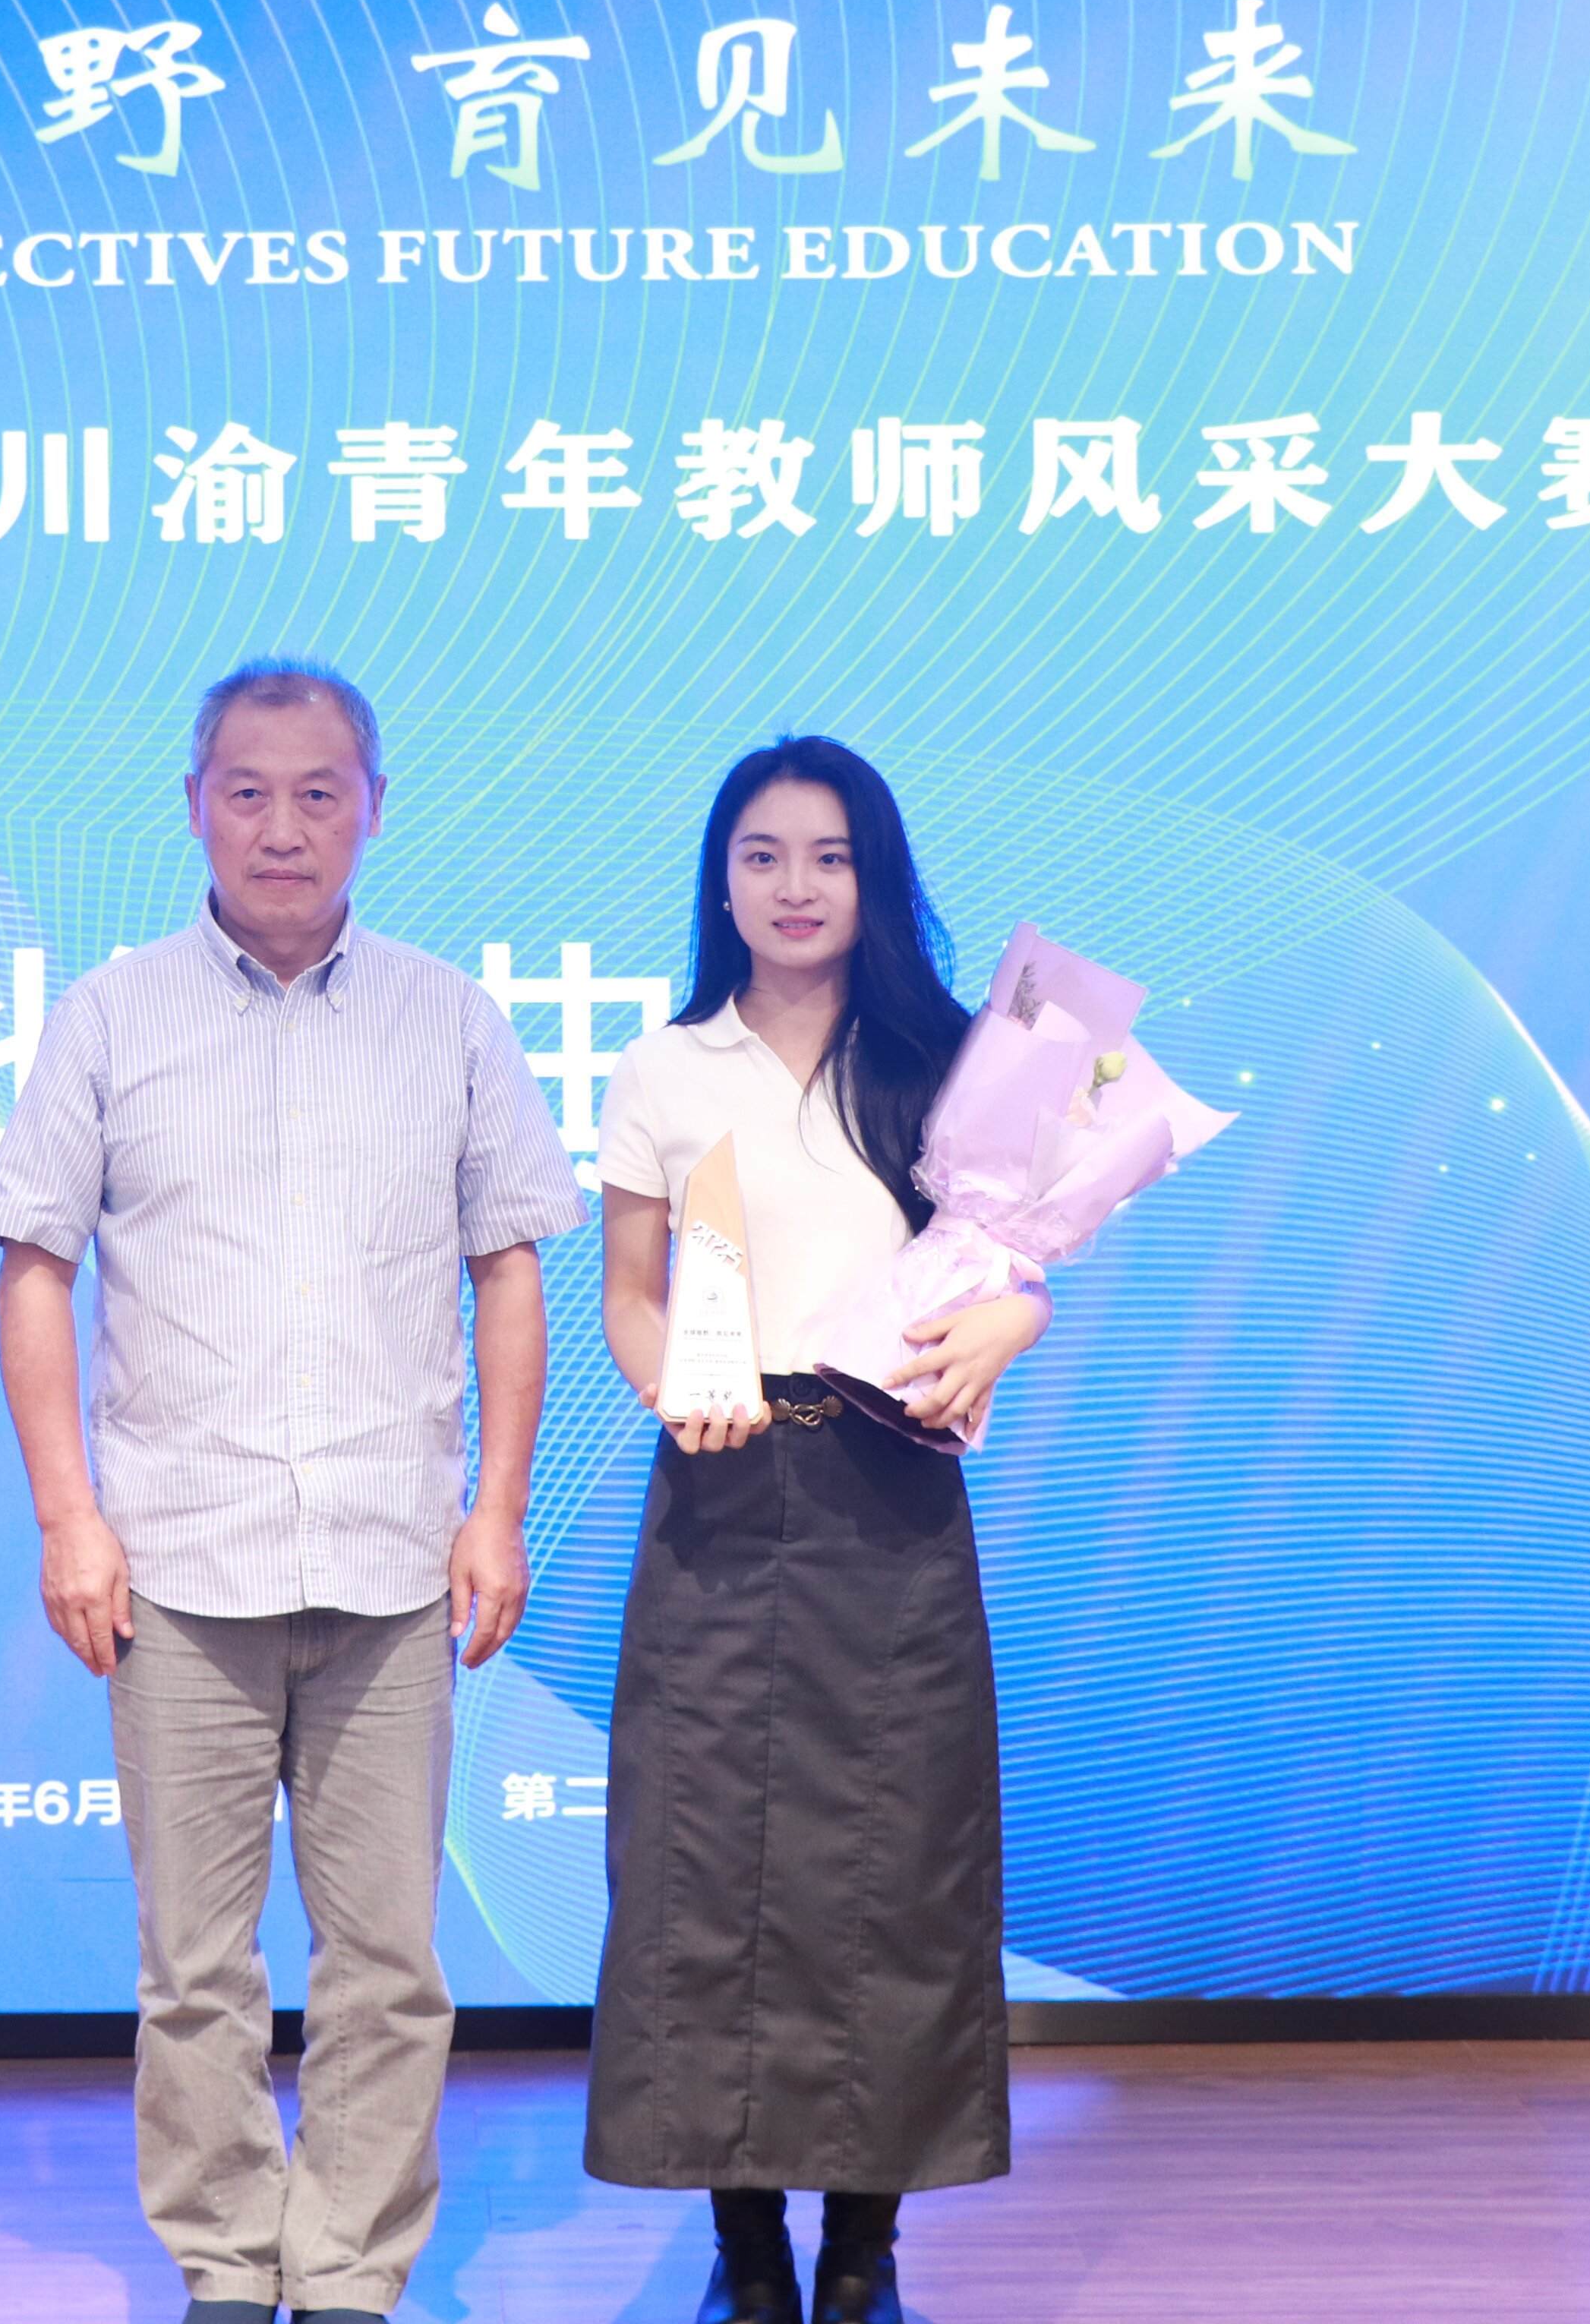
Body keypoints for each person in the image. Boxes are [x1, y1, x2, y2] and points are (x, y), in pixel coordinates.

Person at [0, 658, 581, 2324]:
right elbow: (34, 1268)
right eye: (248, 791)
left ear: (374, 808)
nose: (284, 826)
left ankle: (352, 2273)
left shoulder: (450, 1017)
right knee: (195, 1965)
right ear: (195, 807)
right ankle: (230, 2266)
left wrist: (497, 1506)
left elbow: (509, 1269)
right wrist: (69, 1517)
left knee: (388, 1964)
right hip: (177, 1561)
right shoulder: (112, 1017)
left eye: (321, 793)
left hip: (394, 1558)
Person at [583, 737, 1044, 2324]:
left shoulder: (951, 1058)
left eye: (831, 856)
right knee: (707, 1873)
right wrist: (677, 1385)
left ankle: (863, 2249)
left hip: (890, 1489)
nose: (796, 886)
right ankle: (748, 2252)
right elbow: (631, 1294)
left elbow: (1014, 1268)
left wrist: (1014, 1322)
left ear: (875, 876)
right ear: (721, 880)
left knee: (890, 1872)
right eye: (764, 855)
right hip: (719, 1495)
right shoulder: (666, 1067)